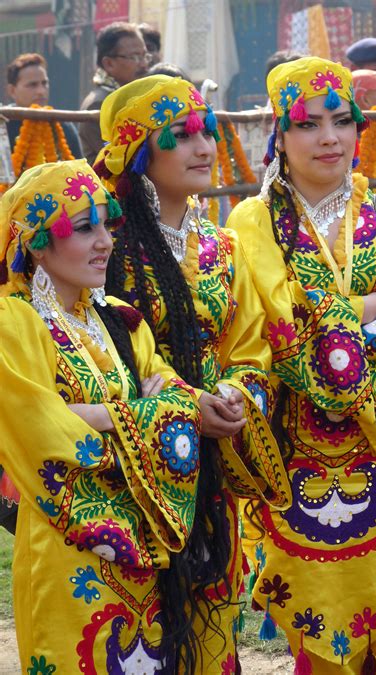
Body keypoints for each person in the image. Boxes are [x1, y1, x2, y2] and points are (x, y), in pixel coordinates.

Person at [226, 56, 376, 672]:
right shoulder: (253, 221)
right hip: (295, 452)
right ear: (280, 137)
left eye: (342, 121)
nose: (329, 138)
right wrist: (368, 305)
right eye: (309, 124)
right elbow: (276, 326)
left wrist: (329, 318)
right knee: (312, 621)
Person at [93, 74, 291, 672]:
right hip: (126, 471)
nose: (204, 146)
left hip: (211, 473)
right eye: (181, 136)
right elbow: (83, 351)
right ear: (137, 151)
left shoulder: (222, 247)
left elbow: (251, 348)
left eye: (205, 130)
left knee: (209, 629)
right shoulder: (103, 247)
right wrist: (181, 407)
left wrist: (232, 397)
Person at [0, 159, 198, 672]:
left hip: (144, 535)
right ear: (38, 244)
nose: (106, 241)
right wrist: (135, 415)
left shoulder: (119, 319)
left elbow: (174, 395)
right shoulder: (14, 323)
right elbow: (35, 423)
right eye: (84, 228)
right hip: (66, 549)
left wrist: (102, 414)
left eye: (106, 224)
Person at [79, 22, 150, 165]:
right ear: (109, 64)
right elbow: (121, 161)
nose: (143, 64)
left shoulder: (130, 98)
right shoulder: (100, 103)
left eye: (144, 56)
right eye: (134, 57)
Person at [5, 53, 83, 159]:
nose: (41, 91)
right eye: (32, 85)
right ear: (12, 90)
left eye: (44, 83)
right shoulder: (3, 128)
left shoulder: (63, 126)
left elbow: (80, 172)